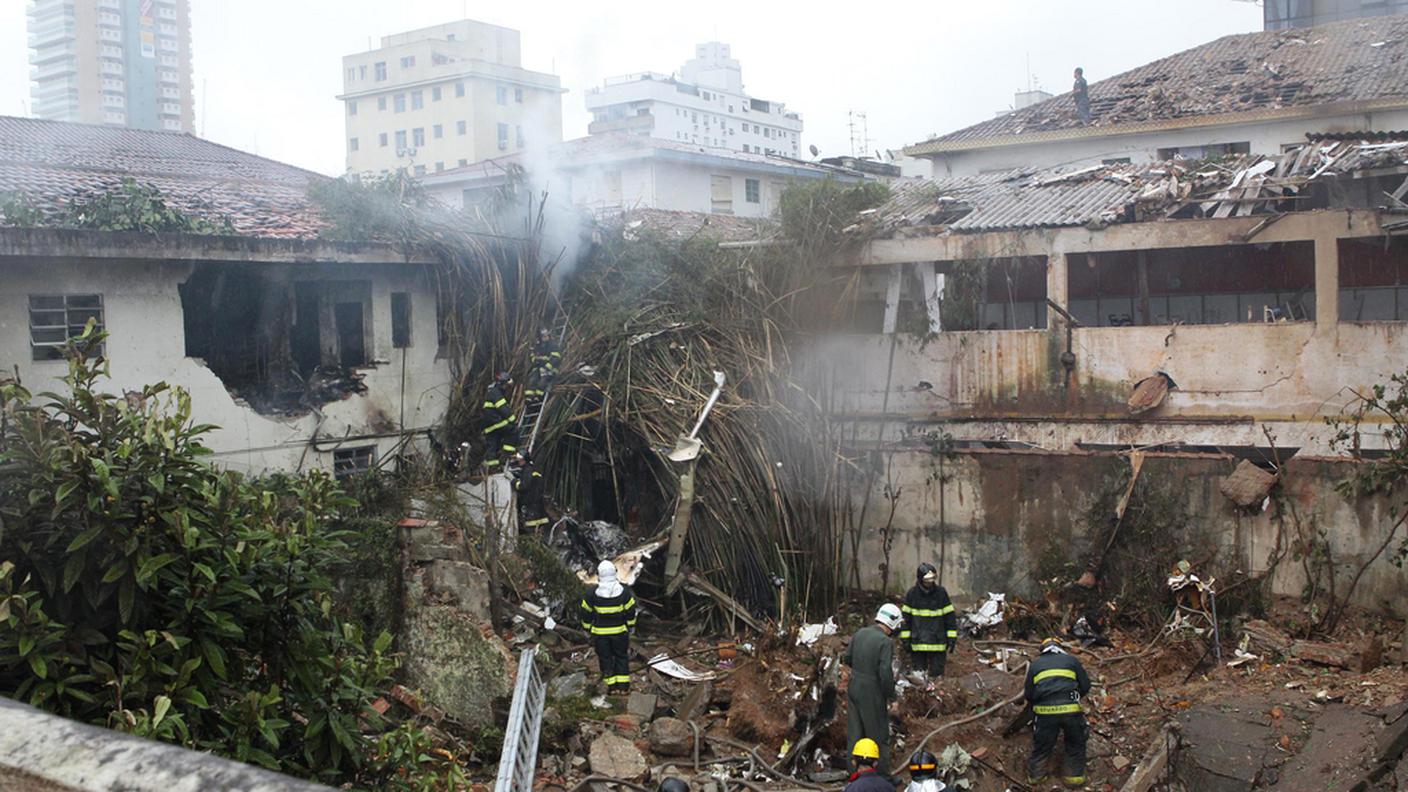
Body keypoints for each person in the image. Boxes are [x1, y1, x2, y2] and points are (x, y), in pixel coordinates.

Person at [1024, 637, 1092, 788]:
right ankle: (1073, 778)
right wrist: (1072, 697)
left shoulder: (1035, 665)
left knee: (1042, 745)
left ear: (1043, 650)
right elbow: (1086, 685)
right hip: (1071, 711)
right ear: (1060, 648)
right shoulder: (1072, 661)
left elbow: (1029, 694)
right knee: (1075, 743)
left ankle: (1036, 777)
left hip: (1045, 713)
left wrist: (1042, 700)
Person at [845, 603, 902, 775]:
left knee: (855, 733)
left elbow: (848, 658)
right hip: (872, 690)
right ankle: (882, 776)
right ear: (893, 623)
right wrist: (892, 697)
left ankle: (853, 773)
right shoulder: (885, 642)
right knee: (878, 734)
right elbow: (885, 673)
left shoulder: (860, 633)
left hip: (854, 685)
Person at [580, 559, 636, 695]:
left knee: (606, 659)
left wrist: (587, 629)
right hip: (620, 633)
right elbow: (631, 611)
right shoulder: (624, 592)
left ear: (599, 574)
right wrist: (631, 626)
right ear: (615, 573)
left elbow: (585, 613)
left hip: (600, 635)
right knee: (621, 657)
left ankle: (612, 687)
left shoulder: (591, 593)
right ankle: (623, 687)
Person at [900, 563, 958, 680]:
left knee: (937, 677)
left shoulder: (941, 593)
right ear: (920, 579)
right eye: (927, 580)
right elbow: (905, 620)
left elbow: (949, 617)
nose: (929, 583)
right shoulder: (912, 594)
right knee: (919, 677)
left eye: (932, 579)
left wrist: (952, 638)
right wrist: (905, 640)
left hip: (938, 644)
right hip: (918, 645)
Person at [482, 371, 518, 470]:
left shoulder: (491, 392)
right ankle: (506, 455)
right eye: (507, 385)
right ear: (502, 383)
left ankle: (492, 467)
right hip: (496, 423)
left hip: (488, 426)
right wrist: (513, 420)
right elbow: (503, 409)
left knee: (493, 445)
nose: (507, 388)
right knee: (513, 431)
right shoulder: (496, 393)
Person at [511, 451, 549, 534]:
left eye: (520, 460)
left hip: (530, 505)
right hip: (538, 504)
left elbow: (523, 486)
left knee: (529, 528)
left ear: (525, 460)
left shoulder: (527, 470)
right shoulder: (533, 469)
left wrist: (514, 482)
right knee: (539, 527)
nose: (519, 462)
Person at [525, 328, 561, 407]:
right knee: (532, 381)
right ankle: (529, 398)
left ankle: (538, 397)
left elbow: (556, 358)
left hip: (549, 369)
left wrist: (547, 367)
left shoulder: (552, 345)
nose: (545, 337)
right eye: (543, 336)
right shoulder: (538, 346)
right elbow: (533, 356)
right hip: (538, 368)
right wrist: (535, 361)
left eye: (546, 336)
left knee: (542, 382)